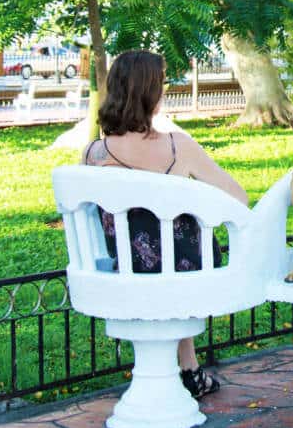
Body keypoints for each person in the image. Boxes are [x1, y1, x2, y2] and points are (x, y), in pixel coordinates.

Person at [82, 49, 248, 399]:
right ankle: (188, 369)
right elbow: (238, 197)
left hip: (124, 270)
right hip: (187, 270)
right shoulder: (177, 147)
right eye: (162, 85)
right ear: (149, 93)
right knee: (174, 250)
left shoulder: (93, 154)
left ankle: (187, 366)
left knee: (158, 248)